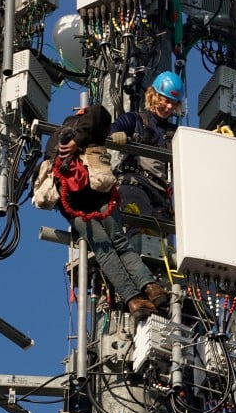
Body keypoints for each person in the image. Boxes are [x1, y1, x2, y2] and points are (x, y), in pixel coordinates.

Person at [39, 104, 170, 320]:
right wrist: (80, 140)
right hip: (98, 194)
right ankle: (151, 287)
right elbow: (101, 113)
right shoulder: (87, 126)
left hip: (72, 205)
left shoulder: (54, 141)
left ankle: (134, 300)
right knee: (119, 242)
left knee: (104, 251)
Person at [108, 71, 182, 225]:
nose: (169, 107)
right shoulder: (136, 120)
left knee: (158, 243)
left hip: (161, 197)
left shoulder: (175, 133)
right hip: (135, 184)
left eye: (173, 103)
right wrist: (116, 134)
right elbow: (113, 128)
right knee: (138, 231)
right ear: (154, 96)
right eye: (166, 100)